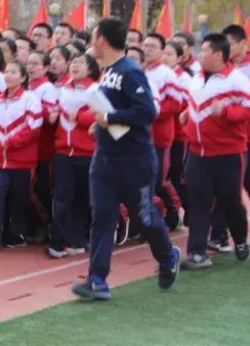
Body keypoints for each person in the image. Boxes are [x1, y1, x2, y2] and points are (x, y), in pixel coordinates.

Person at [72, 18, 179, 301]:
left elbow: (147, 112)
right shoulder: (107, 72)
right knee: (102, 218)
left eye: (93, 36)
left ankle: (167, 256)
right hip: (105, 159)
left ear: (102, 40)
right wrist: (100, 125)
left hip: (134, 161)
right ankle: (97, 280)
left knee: (144, 216)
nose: (90, 42)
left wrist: (109, 118)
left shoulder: (130, 71)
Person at [180, 33, 250, 269]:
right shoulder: (196, 78)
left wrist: (227, 113)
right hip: (197, 153)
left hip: (227, 155)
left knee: (230, 201)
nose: (199, 54)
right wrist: (186, 114)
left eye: (204, 50)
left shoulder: (236, 79)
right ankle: (197, 253)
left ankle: (240, 239)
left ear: (217, 54)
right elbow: (195, 104)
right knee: (198, 201)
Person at [210, 25, 250, 249]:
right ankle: (219, 234)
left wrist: (246, 110)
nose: (225, 48)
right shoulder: (223, 68)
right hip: (225, 138)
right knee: (223, 186)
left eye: (230, 44)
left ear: (243, 44)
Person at [0, 61, 42, 251]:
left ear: (23, 77)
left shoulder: (30, 99)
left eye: (13, 72)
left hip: (22, 160)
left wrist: (12, 142)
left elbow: (34, 127)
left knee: (19, 199)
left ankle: (18, 234)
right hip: (0, 159)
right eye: (6, 71)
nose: (8, 75)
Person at [48, 53, 99, 258]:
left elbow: (102, 115)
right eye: (74, 62)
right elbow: (53, 108)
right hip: (63, 151)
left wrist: (79, 115)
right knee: (62, 195)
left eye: (81, 63)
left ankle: (77, 239)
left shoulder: (95, 89)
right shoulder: (62, 89)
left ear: (91, 69)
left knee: (82, 197)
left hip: (86, 152)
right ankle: (58, 240)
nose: (75, 66)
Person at [142, 33, 183, 229]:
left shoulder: (167, 74)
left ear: (161, 50)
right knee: (144, 180)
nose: (147, 50)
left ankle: (174, 209)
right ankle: (151, 218)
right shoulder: (139, 71)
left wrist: (152, 112)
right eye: (146, 46)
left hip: (160, 135)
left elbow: (176, 104)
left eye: (152, 47)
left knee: (159, 179)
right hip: (140, 135)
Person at [27, 50, 57, 242]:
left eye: (36, 63)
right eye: (29, 63)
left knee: (42, 189)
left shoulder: (47, 88)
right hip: (27, 147)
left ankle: (46, 225)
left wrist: (32, 106)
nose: (31, 67)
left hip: (43, 148)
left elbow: (51, 117)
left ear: (46, 67)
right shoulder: (26, 86)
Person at [163, 41, 192, 220]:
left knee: (176, 175)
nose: (165, 57)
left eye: (170, 54)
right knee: (164, 176)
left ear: (179, 58)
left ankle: (189, 209)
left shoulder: (184, 78)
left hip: (179, 135)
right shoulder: (157, 74)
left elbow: (184, 105)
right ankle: (173, 213)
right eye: (163, 53)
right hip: (162, 133)